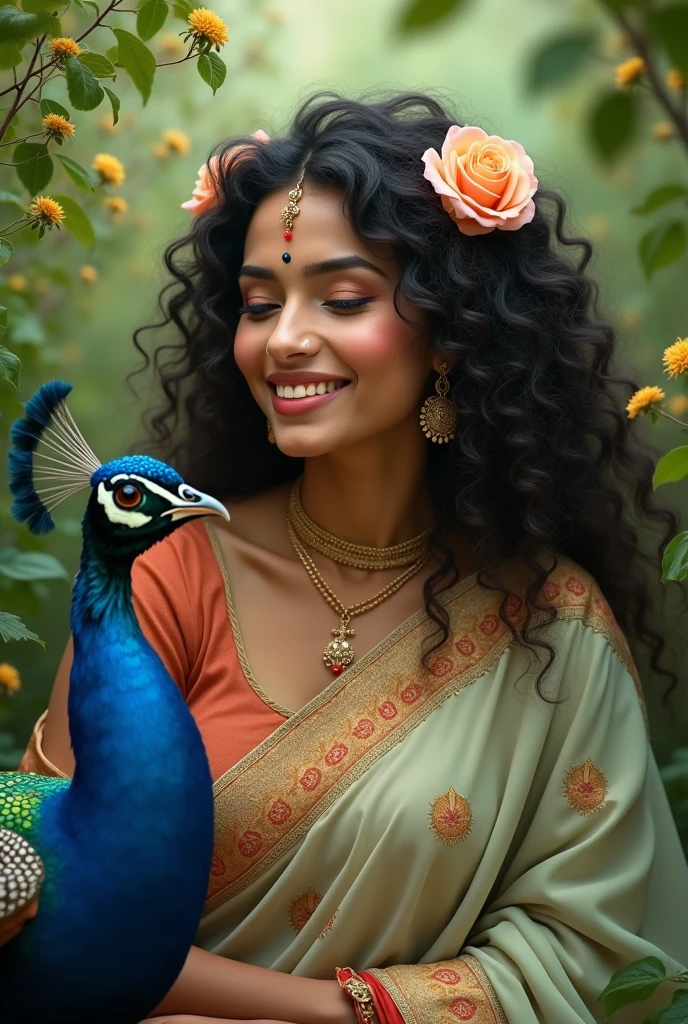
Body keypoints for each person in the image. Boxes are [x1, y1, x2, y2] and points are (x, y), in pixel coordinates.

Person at [16, 92, 688, 1023]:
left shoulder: (548, 627)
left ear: (451, 332)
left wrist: (335, 1014)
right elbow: (41, 911)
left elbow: (591, 959)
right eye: (259, 303)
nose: (284, 339)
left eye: (341, 298)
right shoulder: (164, 574)